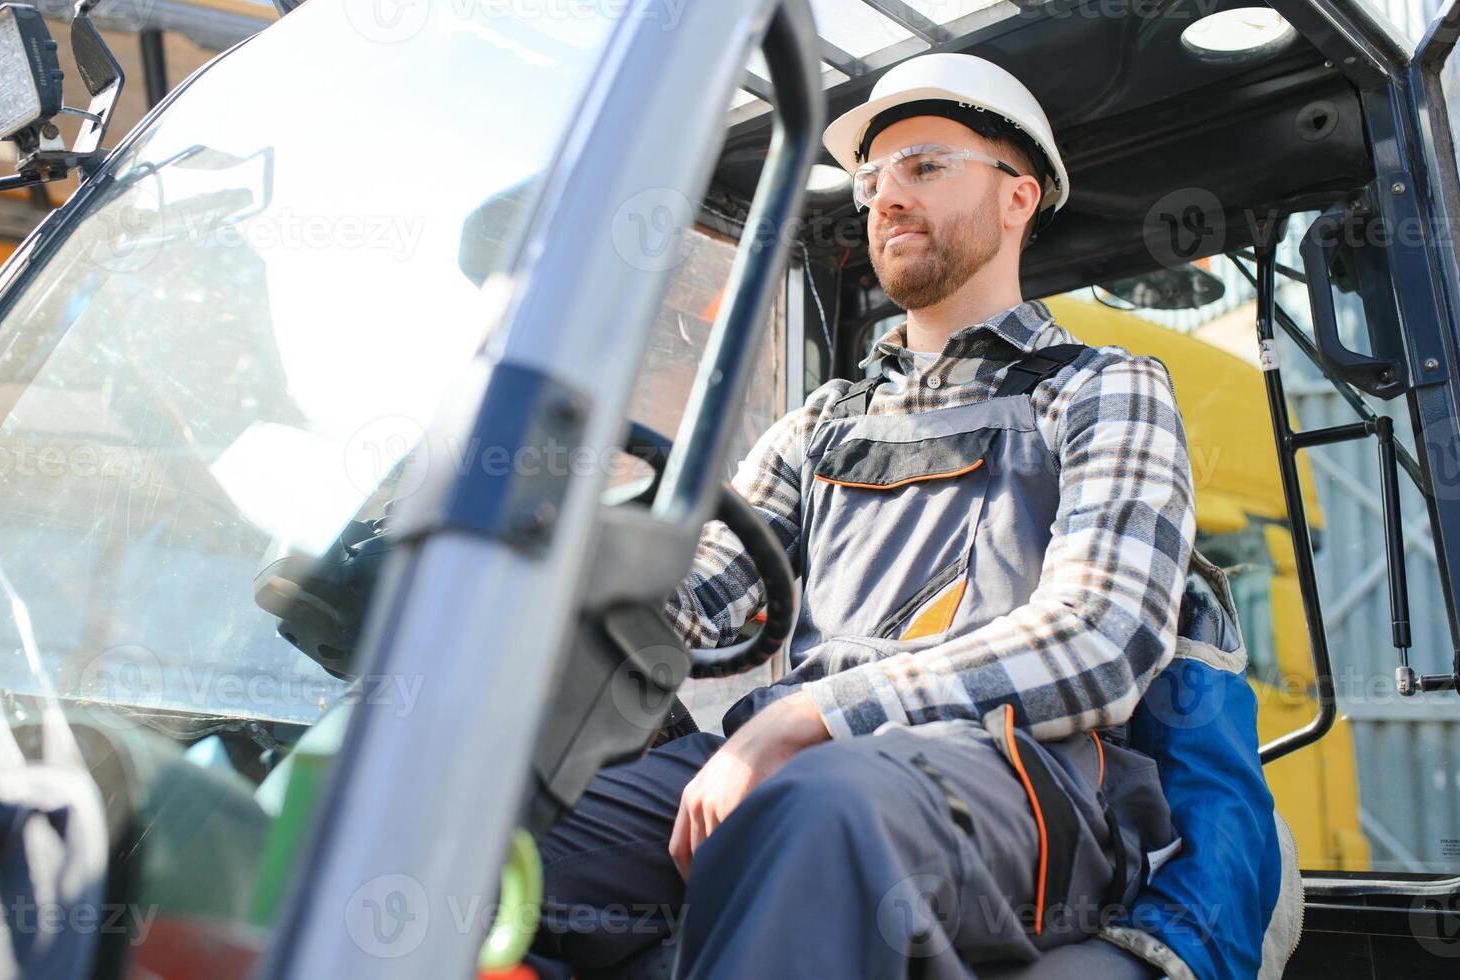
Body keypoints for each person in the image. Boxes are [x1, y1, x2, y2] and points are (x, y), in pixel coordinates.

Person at [527, 53, 1273, 979]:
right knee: (512, 844)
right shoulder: (821, 425)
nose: (883, 196)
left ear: (1017, 200)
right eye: (873, 177)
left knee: (821, 812)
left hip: (1016, 778)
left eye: (923, 165)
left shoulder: (1102, 390)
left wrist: (807, 716)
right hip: (808, 759)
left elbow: (1097, 640)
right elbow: (688, 599)